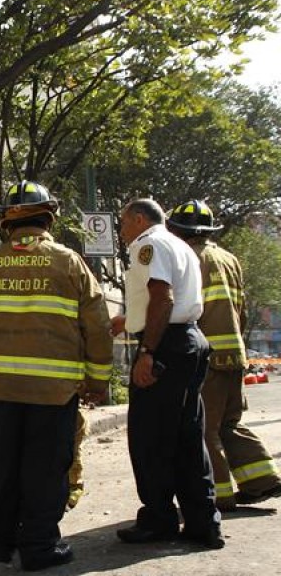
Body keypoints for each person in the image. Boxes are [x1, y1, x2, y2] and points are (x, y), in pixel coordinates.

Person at [0, 181, 113, 571]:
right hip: (54, 391)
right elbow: (96, 325)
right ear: (48, 218)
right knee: (45, 468)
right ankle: (40, 546)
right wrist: (98, 378)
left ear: (8, 223)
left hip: (0, 389)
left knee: (5, 463)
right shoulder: (69, 262)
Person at [110, 198, 224, 549]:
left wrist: (147, 352)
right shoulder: (180, 244)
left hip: (166, 347)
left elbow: (163, 298)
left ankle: (159, 519)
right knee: (187, 435)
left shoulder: (149, 244)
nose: (122, 230)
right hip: (189, 342)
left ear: (140, 219)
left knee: (151, 437)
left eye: (124, 223)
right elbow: (162, 301)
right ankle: (203, 521)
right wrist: (127, 321)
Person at [167, 200, 281, 510]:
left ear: (178, 231)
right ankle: (262, 480)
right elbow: (241, 310)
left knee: (205, 428)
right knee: (230, 422)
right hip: (234, 353)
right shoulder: (229, 258)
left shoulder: (187, 259)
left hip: (207, 356)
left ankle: (218, 495)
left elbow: (184, 309)